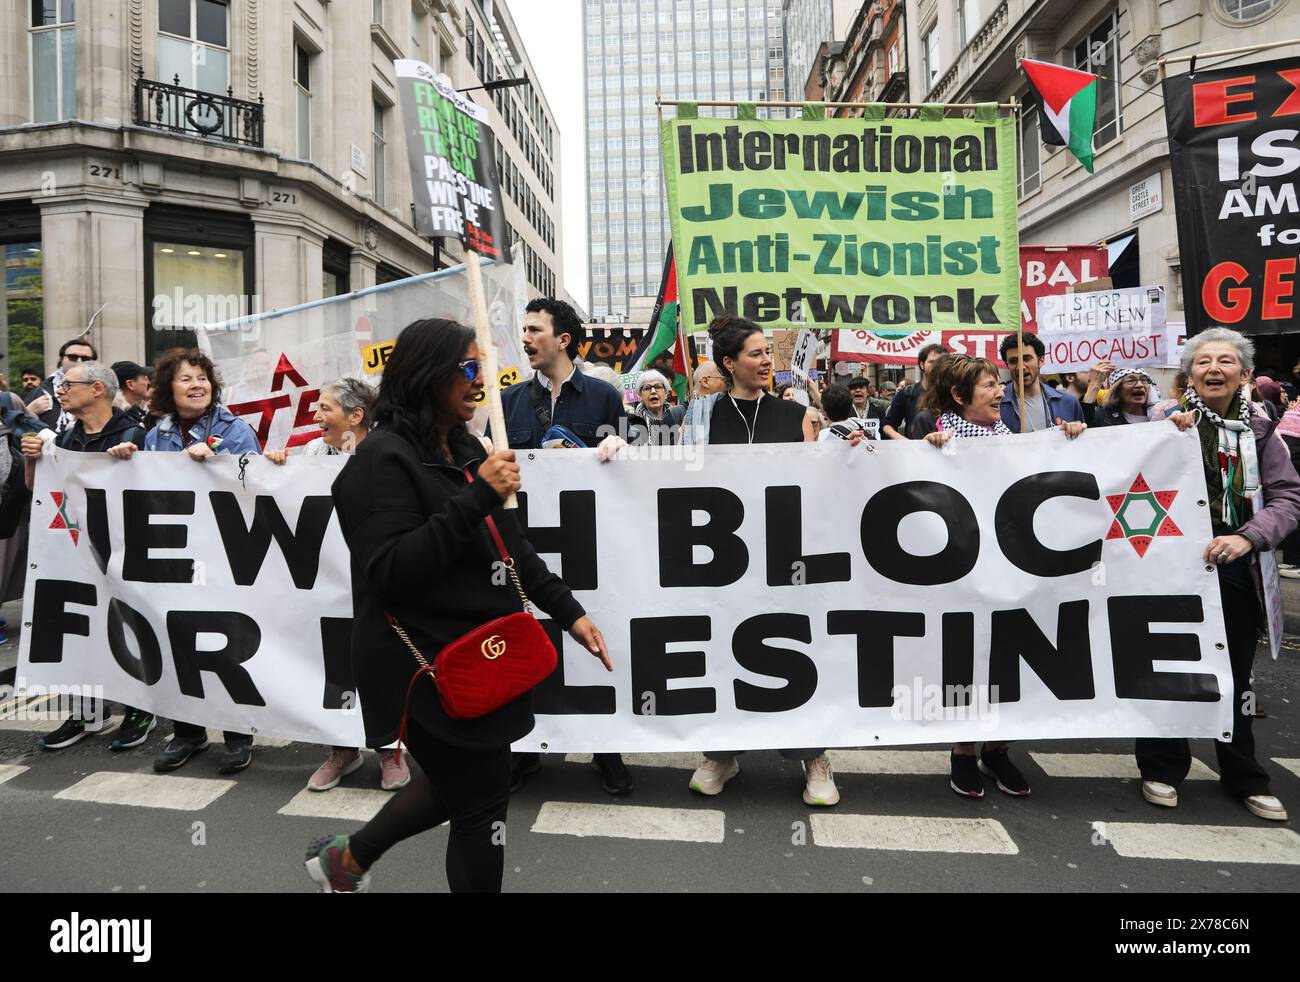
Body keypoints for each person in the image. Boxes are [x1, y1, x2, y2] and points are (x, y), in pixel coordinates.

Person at [303, 318, 612, 893]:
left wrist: (568, 612)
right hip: (420, 662)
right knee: (481, 802)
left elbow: (510, 547)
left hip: (480, 651)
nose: (480, 381)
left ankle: (346, 861)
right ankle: (347, 863)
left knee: (462, 786)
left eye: (483, 368)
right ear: (427, 375)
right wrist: (477, 496)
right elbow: (394, 570)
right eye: (469, 368)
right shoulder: (380, 462)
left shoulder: (465, 446)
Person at [1137, 329, 1300, 822]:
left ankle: (1244, 772)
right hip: (1168, 569)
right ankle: (1162, 767)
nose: (1214, 369)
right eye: (1203, 361)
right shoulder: (1162, 423)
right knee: (1166, 665)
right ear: (1189, 375)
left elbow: (1287, 498)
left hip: (1234, 568)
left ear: (1244, 374)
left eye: (1225, 361)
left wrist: (1249, 537)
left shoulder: (1263, 433)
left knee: (1235, 672)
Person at [680, 315, 838, 806]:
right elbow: (674, 478)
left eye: (768, 352)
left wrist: (852, 454)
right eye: (755, 353)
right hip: (721, 562)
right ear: (729, 364)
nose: (767, 360)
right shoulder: (702, 415)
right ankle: (721, 753)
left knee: (796, 649)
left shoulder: (797, 417)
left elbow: (820, 484)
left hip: (785, 559)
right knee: (724, 650)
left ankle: (813, 756)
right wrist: (618, 446)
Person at [923, 353, 1087, 798]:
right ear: (960, 396)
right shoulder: (942, 439)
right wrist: (932, 449)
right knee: (967, 655)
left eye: (999, 383)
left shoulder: (1007, 435)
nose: (1001, 391)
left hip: (1011, 566)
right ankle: (962, 751)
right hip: (963, 572)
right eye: (989, 385)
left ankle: (997, 749)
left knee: (1006, 657)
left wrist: (1069, 438)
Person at [495, 298, 631, 795]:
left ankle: (605, 749)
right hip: (525, 548)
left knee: (594, 635)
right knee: (527, 639)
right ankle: (525, 749)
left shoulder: (602, 397)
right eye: (523, 329)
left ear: (563, 339)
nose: (525, 338)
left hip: (589, 546)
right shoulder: (506, 402)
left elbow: (634, 469)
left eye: (534, 329)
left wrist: (622, 450)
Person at [107, 348, 262, 774]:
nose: (197, 385)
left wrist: (216, 465)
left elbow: (258, 485)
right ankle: (188, 732)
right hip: (173, 554)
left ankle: (237, 733)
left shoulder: (235, 429)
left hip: (223, 554)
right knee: (176, 638)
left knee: (225, 639)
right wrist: (127, 459)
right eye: (185, 379)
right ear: (167, 390)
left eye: (202, 378)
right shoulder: (155, 433)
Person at [266, 378, 411, 793]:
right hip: (326, 580)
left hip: (371, 576)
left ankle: (389, 748)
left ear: (356, 416)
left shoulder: (386, 451)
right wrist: (278, 464)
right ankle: (341, 748)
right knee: (329, 659)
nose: (315, 415)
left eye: (324, 408)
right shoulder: (314, 452)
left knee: (379, 660)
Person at [19, 362, 157, 752]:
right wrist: (33, 460)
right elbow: (39, 490)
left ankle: (138, 709)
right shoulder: (63, 439)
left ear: (97, 389)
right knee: (82, 626)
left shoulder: (135, 434)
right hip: (77, 552)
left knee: (128, 626)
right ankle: (86, 711)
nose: (59, 389)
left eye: (68, 384)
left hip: (127, 551)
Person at [999, 332, 1086, 433]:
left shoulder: (1068, 403)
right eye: (1013, 361)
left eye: (1027, 359)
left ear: (1041, 361)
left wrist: (1077, 430)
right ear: (1007, 365)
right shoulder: (996, 405)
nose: (1021, 367)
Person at [28, 337, 98, 432]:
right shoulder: (40, 392)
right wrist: (29, 412)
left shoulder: (101, 392)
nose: (79, 361)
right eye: (72, 357)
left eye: (85, 359)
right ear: (61, 359)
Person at [883, 344, 949, 440]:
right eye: (932, 362)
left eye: (940, 362)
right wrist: (906, 442)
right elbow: (887, 424)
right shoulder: (907, 393)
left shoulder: (952, 393)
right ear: (922, 364)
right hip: (915, 451)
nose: (936, 366)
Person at [629, 369, 686, 446]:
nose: (653, 391)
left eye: (658, 387)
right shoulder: (631, 424)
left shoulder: (679, 416)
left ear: (666, 393)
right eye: (647, 388)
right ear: (640, 395)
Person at [1091, 368, 1158, 427]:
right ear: (1117, 389)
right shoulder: (1102, 416)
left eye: (1143, 380)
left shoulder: (1161, 416)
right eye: (1130, 381)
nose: (1139, 385)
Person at [111, 361, 153, 426]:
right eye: (144, 378)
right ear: (130, 384)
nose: (148, 382)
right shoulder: (120, 419)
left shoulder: (135, 413)